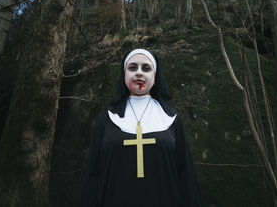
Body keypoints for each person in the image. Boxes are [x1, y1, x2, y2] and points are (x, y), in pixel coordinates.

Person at [80, 48, 203, 207]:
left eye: (146, 68)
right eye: (132, 67)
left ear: (155, 75)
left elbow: (185, 174)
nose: (139, 73)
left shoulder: (171, 119)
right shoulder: (107, 119)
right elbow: (93, 175)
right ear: (123, 74)